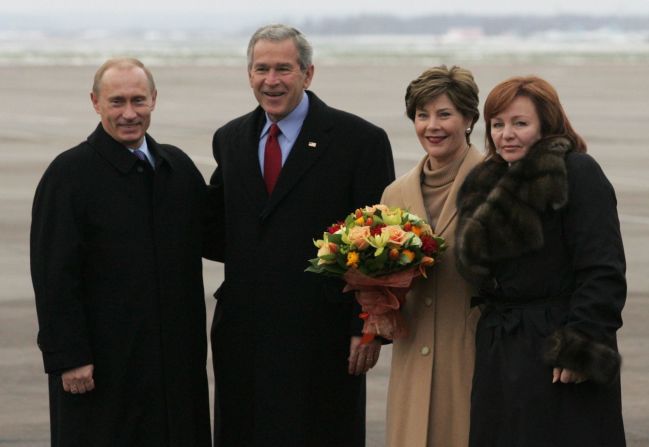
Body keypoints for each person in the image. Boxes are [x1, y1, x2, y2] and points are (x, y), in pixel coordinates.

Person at [207, 24, 395, 447]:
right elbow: (222, 229)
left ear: (308, 74)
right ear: (248, 73)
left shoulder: (358, 141)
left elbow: (378, 244)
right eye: (261, 69)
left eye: (283, 69)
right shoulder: (231, 139)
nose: (271, 81)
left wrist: (367, 329)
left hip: (323, 338)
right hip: (244, 335)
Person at [30, 58, 212, 447]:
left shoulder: (176, 168)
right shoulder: (68, 175)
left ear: (154, 100)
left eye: (138, 100)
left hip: (174, 362)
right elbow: (52, 275)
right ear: (95, 103)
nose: (129, 113)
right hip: (101, 366)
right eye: (116, 102)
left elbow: (221, 238)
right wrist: (68, 356)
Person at [455, 76, 626, 446]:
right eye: (497, 125)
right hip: (501, 348)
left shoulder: (578, 172)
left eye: (520, 123)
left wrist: (581, 346)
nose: (506, 135)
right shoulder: (484, 181)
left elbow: (603, 268)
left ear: (546, 124)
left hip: (556, 343)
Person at [380, 65, 483, 447]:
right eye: (422, 115)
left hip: (472, 356)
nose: (432, 126)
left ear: (469, 118)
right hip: (411, 361)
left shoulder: (497, 181)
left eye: (445, 114)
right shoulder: (395, 194)